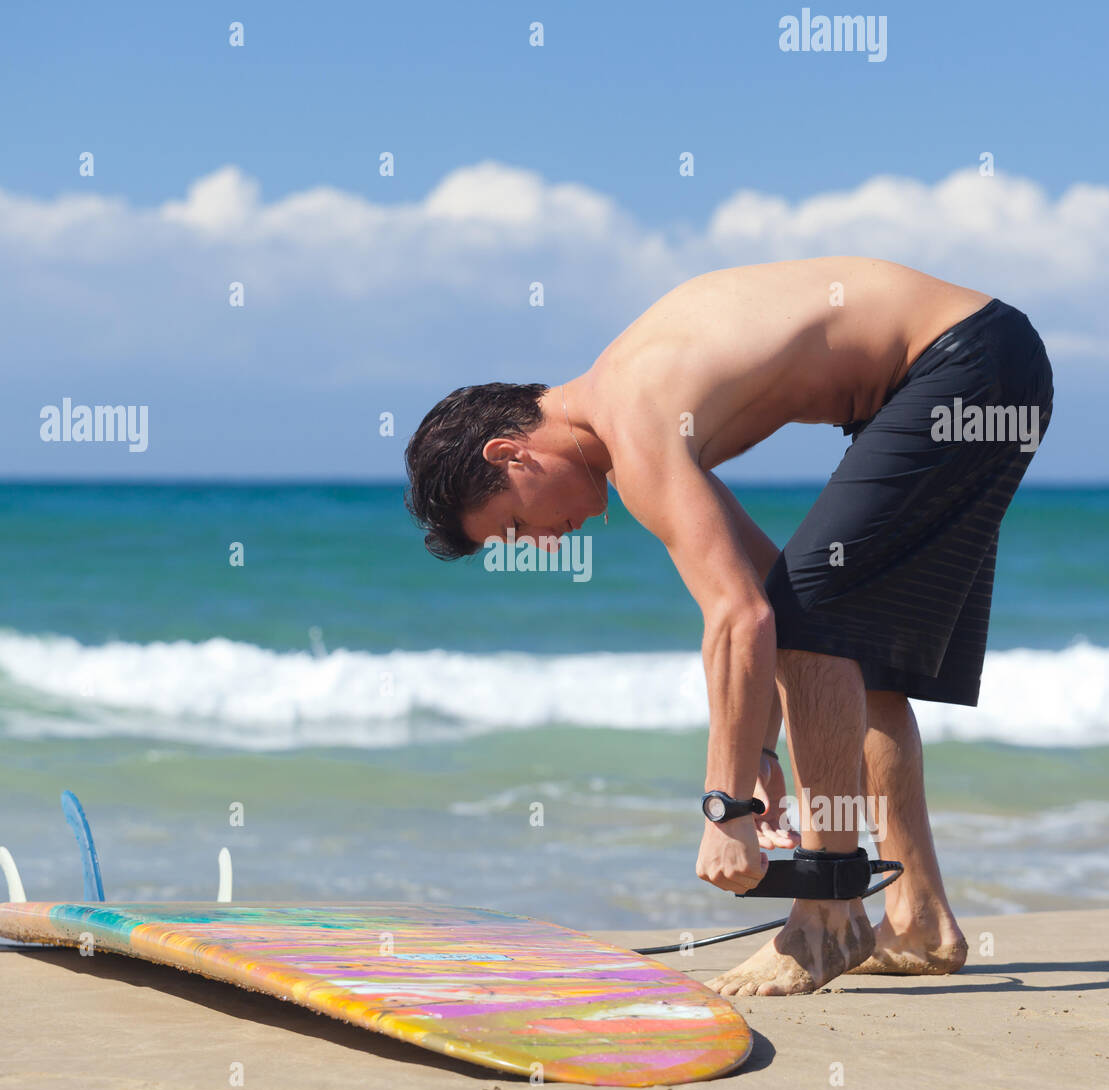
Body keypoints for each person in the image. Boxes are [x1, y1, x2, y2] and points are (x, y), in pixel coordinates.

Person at [404, 257, 1053, 996]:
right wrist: (761, 757)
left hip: (962, 363)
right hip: (988, 365)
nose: (543, 542)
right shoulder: (631, 420)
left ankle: (827, 916)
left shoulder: (634, 416)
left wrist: (727, 808)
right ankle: (918, 916)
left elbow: (744, 616)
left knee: (822, 621)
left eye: (516, 524)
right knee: (846, 640)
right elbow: (765, 594)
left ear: (509, 453)